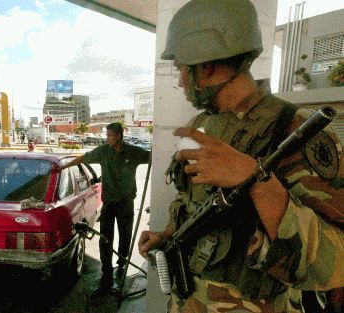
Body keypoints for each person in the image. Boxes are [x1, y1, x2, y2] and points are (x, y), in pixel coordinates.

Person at [138, 1, 343, 312]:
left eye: (181, 67)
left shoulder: (296, 131)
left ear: (205, 66)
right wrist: (168, 235)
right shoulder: (202, 126)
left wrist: (259, 181)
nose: (180, 81)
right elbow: (192, 203)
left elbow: (336, 262)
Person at [60, 122, 150, 291]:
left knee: (125, 235)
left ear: (119, 136)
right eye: (107, 135)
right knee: (105, 238)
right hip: (108, 203)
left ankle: (122, 260)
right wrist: (64, 166)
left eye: (109, 135)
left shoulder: (133, 152)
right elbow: (84, 157)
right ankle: (106, 270)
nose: (107, 138)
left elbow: (151, 157)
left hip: (126, 204)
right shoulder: (103, 152)